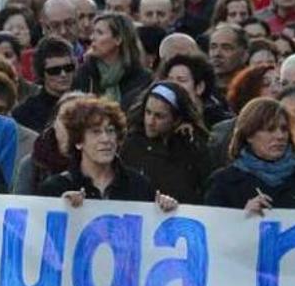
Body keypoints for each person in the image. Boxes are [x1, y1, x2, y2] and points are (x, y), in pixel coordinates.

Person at [36, 96, 178, 212]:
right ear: (79, 141)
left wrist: (164, 211)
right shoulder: (56, 188)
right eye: (96, 132)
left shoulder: (139, 185)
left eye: (110, 131)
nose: (106, 139)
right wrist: (60, 209)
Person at [205, 98, 295, 213]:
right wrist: (242, 217)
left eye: (284, 129)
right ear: (249, 135)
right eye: (270, 129)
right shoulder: (225, 182)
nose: (280, 136)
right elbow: (215, 233)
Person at [119, 83, 213, 205]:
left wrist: (191, 142)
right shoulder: (131, 144)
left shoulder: (192, 147)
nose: (150, 122)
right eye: (148, 112)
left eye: (159, 116)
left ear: (177, 119)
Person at [71, 12, 152, 110]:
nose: (92, 38)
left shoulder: (142, 78)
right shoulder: (84, 74)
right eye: (93, 32)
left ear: (118, 39)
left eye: (99, 33)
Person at [13, 36, 76, 132]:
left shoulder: (86, 105)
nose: (63, 74)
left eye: (68, 68)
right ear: (42, 73)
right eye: (54, 70)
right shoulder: (25, 113)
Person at [207, 24, 248, 95]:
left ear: (244, 55)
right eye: (213, 47)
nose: (217, 54)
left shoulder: (254, 88)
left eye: (226, 48)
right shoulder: (200, 87)